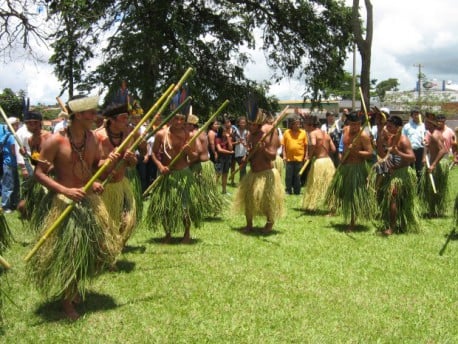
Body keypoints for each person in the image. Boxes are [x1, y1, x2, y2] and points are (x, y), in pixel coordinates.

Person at [27, 95, 118, 320]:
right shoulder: (55, 141)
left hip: (87, 202)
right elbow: (39, 174)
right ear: (77, 115)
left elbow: (94, 166)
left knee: (87, 250)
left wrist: (103, 170)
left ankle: (74, 288)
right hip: (65, 203)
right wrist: (63, 190)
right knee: (69, 252)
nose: (94, 116)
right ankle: (67, 303)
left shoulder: (92, 139)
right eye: (90, 113)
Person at [146, 113, 203, 243]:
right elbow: (153, 153)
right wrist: (160, 166)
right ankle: (168, 234)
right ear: (170, 119)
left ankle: (187, 234)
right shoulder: (161, 134)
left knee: (185, 206)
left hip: (183, 173)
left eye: (182, 119)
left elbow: (195, 157)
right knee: (166, 205)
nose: (178, 121)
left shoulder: (189, 135)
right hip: (166, 174)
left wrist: (189, 152)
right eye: (176, 118)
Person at [94, 103, 138, 257]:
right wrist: (106, 161)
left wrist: (130, 158)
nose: (127, 121)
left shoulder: (128, 135)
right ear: (111, 120)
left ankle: (115, 247)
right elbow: (90, 164)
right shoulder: (97, 136)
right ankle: (107, 253)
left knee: (128, 222)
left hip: (121, 184)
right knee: (105, 224)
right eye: (123, 118)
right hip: (103, 187)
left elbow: (132, 164)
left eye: (128, 117)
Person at [233, 109, 284, 233]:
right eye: (248, 124)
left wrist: (263, 149)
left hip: (266, 173)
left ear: (259, 125)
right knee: (248, 200)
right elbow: (250, 152)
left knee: (267, 201)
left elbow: (272, 156)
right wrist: (246, 158)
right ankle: (249, 224)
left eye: (253, 124)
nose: (250, 126)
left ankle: (269, 224)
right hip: (253, 173)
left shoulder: (269, 135)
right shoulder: (250, 135)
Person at [325, 111, 374, 232]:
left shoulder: (363, 136)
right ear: (349, 123)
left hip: (357, 168)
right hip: (345, 167)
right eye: (352, 124)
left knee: (354, 196)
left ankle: (352, 222)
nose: (355, 127)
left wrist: (356, 151)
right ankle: (334, 211)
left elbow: (370, 153)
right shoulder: (345, 130)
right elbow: (342, 147)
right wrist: (341, 156)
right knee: (339, 191)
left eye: (357, 124)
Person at [371, 115, 420, 235]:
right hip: (390, 172)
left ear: (398, 128)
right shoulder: (388, 139)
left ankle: (392, 228)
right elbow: (382, 155)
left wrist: (398, 152)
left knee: (393, 199)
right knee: (386, 197)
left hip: (401, 174)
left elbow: (412, 158)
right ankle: (398, 223)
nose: (387, 128)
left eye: (390, 126)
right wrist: (379, 129)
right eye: (387, 126)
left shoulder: (403, 140)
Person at [186, 113, 224, 217]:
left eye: (187, 124)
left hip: (200, 165)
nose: (185, 126)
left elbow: (198, 153)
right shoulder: (202, 132)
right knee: (206, 189)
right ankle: (213, 207)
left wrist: (188, 163)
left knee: (198, 189)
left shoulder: (194, 134)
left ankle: (202, 209)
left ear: (191, 125)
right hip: (207, 164)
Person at [17, 111, 52, 219]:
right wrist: (25, 154)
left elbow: (56, 158)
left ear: (40, 123)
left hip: (51, 173)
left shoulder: (48, 136)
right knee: (22, 205)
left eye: (34, 123)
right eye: (28, 123)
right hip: (39, 174)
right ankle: (32, 217)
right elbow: (35, 160)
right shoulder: (31, 140)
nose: (31, 125)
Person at [302, 116, 336, 211]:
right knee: (329, 185)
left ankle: (312, 206)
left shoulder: (313, 133)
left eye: (305, 125)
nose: (304, 128)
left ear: (311, 125)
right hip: (328, 161)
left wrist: (310, 155)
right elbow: (333, 149)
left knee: (314, 184)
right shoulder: (326, 134)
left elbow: (313, 144)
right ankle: (332, 207)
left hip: (319, 162)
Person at [418, 115, 449, 217]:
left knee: (435, 189)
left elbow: (444, 150)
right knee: (429, 189)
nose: (425, 125)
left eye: (426, 123)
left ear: (432, 124)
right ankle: (432, 210)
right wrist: (423, 157)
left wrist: (433, 165)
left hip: (437, 164)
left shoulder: (435, 135)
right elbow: (426, 146)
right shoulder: (429, 133)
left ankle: (435, 210)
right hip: (431, 162)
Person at [281, 116, 307, 195]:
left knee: (297, 176)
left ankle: (297, 191)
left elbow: (306, 146)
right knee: (288, 176)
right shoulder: (286, 132)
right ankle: (288, 190)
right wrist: (284, 156)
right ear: (292, 124)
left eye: (299, 124)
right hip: (289, 158)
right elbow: (283, 145)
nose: (298, 125)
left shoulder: (303, 132)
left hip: (300, 158)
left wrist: (306, 156)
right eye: (296, 124)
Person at [1, 117, 20, 213]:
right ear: (12, 126)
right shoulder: (12, 137)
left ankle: (13, 204)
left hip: (10, 163)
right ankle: (5, 206)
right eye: (16, 124)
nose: (18, 126)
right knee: (8, 186)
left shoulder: (8, 135)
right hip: (10, 163)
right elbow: (14, 151)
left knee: (14, 184)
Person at [402, 109, 425, 180]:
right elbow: (403, 137)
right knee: (409, 169)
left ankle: (419, 188)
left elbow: (427, 137)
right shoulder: (407, 126)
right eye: (414, 114)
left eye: (418, 114)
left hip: (420, 150)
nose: (416, 116)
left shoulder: (423, 126)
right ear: (411, 116)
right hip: (409, 150)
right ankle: (410, 185)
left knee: (419, 169)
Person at [215, 118, 234, 194]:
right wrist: (230, 152)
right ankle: (213, 190)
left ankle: (224, 190)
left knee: (225, 174)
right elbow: (219, 149)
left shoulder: (227, 138)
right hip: (220, 158)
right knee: (218, 174)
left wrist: (229, 138)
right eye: (224, 131)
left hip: (227, 158)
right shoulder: (217, 139)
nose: (226, 132)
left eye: (226, 131)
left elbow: (231, 148)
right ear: (221, 132)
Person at [231, 116, 248, 182]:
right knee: (235, 167)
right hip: (236, 152)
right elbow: (230, 142)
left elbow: (249, 143)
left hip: (244, 153)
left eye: (244, 123)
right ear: (238, 123)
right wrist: (236, 142)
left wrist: (245, 145)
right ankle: (233, 181)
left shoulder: (247, 132)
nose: (243, 124)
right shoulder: (235, 131)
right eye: (242, 123)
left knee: (243, 168)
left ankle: (242, 183)